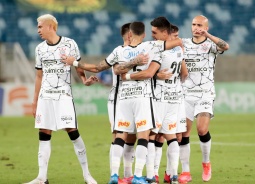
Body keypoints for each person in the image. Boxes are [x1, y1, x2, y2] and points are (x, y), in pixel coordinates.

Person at [61, 23, 149, 183]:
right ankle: (116, 174)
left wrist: (74, 63)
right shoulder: (134, 50)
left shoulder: (119, 52)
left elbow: (97, 67)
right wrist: (74, 62)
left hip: (124, 98)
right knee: (118, 137)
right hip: (118, 99)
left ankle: (126, 175)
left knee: (130, 138)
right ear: (130, 34)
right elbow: (98, 68)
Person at [24, 14, 98, 184]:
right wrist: (34, 101)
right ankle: (42, 178)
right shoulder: (39, 49)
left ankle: (87, 175)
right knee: (44, 133)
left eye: (40, 27)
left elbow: (78, 66)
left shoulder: (69, 44)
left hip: (63, 95)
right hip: (45, 96)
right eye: (37, 27)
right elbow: (38, 76)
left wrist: (84, 80)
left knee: (72, 131)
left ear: (50, 26)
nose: (38, 30)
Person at [109, 21, 183, 184]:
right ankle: (171, 175)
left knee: (143, 136)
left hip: (149, 97)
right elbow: (183, 72)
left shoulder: (132, 49)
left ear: (165, 34)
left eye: (155, 33)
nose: (152, 35)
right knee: (168, 137)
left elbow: (116, 69)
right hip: (172, 97)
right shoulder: (174, 51)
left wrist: (127, 76)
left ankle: (146, 175)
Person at [180, 15, 229, 183]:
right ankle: (185, 171)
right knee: (183, 134)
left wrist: (207, 35)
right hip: (185, 93)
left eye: (199, 25)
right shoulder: (183, 43)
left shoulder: (211, 44)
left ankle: (206, 162)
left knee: (201, 130)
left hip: (205, 93)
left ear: (206, 27)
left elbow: (225, 46)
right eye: (193, 24)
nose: (196, 27)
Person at [152, 23, 188, 184]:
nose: (177, 39)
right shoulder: (180, 50)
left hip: (160, 96)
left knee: (154, 135)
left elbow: (149, 72)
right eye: (175, 36)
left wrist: (158, 76)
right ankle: (172, 175)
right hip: (176, 96)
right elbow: (184, 73)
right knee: (171, 135)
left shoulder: (160, 50)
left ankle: (154, 175)